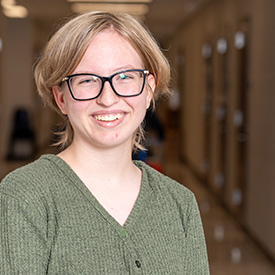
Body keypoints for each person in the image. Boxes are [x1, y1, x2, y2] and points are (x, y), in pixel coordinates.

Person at [0, 11, 209, 274]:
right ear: (61, 97)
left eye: (125, 77)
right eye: (87, 80)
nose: (108, 99)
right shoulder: (24, 197)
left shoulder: (180, 204)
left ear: (148, 89)